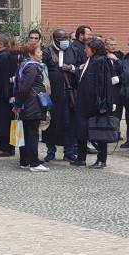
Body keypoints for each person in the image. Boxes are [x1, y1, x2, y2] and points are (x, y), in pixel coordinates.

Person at [72, 38, 114, 169]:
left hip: (95, 103)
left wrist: (103, 104)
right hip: (84, 102)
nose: (84, 50)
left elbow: (104, 85)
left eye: (87, 48)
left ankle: (101, 159)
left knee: (100, 131)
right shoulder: (90, 60)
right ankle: (81, 158)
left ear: (94, 49)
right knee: (82, 130)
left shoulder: (101, 61)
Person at [42, 29, 82, 162]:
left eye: (66, 38)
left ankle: (68, 151)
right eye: (62, 38)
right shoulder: (47, 52)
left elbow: (80, 67)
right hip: (52, 94)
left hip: (69, 93)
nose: (66, 40)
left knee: (68, 122)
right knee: (51, 122)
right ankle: (51, 150)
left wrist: (70, 68)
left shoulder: (73, 51)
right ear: (55, 39)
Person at [15, 42, 49, 171]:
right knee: (32, 133)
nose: (41, 54)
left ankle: (25, 160)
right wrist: (18, 104)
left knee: (26, 132)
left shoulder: (23, 65)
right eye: (38, 51)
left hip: (26, 104)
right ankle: (34, 163)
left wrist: (18, 103)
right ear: (30, 54)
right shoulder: (32, 67)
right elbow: (24, 87)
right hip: (32, 104)